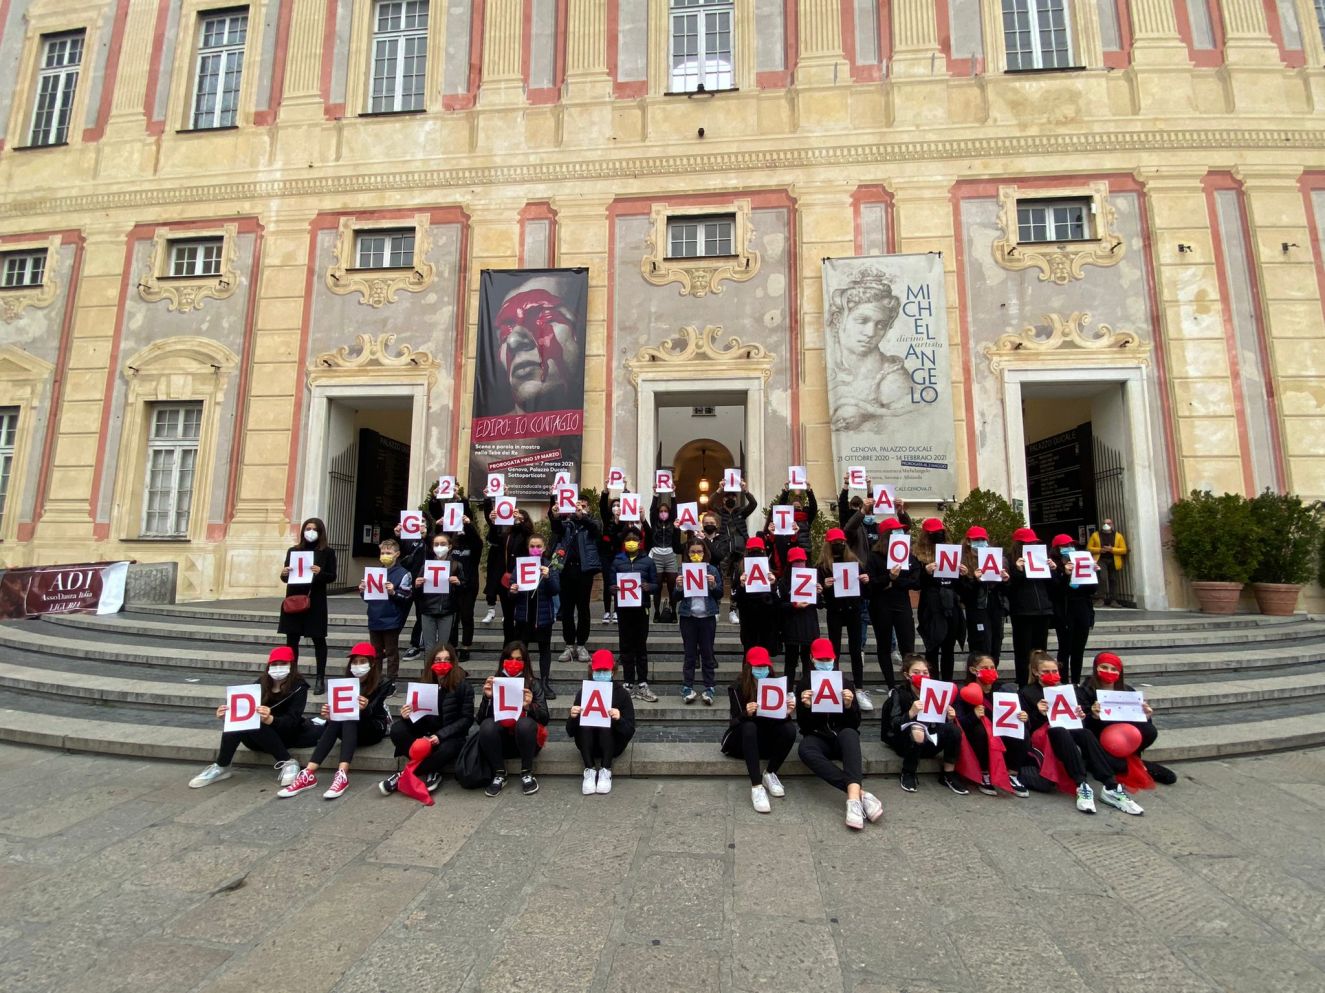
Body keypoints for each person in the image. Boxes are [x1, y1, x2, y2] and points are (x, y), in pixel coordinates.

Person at [1019, 651, 1144, 815]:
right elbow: (1025, 724)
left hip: (1065, 728)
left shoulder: (1064, 690)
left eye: (1054, 671)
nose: (1052, 675)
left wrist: (1081, 714)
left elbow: (1075, 716)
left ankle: (1111, 786)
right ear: (1036, 673)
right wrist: (1037, 712)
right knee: (1059, 731)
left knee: (1085, 734)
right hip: (1043, 734)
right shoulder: (1026, 692)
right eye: (1046, 672)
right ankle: (1081, 784)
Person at [190, 646, 315, 788]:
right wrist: (228, 714)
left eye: (283, 664)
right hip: (257, 737)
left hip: (286, 734)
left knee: (256, 722)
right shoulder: (261, 683)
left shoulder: (299, 687)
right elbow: (244, 708)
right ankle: (222, 766)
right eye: (274, 664)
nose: (278, 668)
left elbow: (292, 720)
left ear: (291, 666)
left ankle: (288, 762)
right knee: (241, 722)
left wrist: (270, 719)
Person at [279, 642, 392, 799]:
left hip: (373, 728)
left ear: (372, 663)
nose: (358, 666)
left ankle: (342, 776)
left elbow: (376, 713)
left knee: (348, 717)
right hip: (348, 728)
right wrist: (329, 714)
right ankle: (309, 773)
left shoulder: (382, 683)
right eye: (355, 662)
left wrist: (365, 708)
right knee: (340, 717)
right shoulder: (346, 683)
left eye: (362, 661)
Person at [795, 639, 883, 830]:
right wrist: (806, 707)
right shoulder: (804, 684)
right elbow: (803, 726)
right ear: (812, 659)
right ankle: (859, 794)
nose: (824, 663)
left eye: (828, 659)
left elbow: (855, 723)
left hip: (842, 736)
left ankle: (852, 801)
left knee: (850, 734)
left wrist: (849, 706)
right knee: (805, 749)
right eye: (820, 659)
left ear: (834, 659)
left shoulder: (845, 683)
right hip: (819, 737)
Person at [379, 643, 476, 795]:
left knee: (447, 749)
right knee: (398, 730)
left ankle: (403, 775)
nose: (442, 663)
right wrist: (407, 715)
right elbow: (418, 715)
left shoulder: (463, 686)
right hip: (426, 731)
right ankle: (433, 770)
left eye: (446, 659)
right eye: (438, 660)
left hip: (450, 736)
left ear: (453, 662)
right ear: (431, 662)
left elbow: (467, 719)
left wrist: (440, 735)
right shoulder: (425, 682)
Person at [825, 266, 913, 432]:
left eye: (881, 325)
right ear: (838, 319)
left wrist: (868, 418)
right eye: (862, 321)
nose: (871, 333)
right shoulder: (826, 362)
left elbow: (905, 433)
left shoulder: (892, 380)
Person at [1077, 651, 1176, 786]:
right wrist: (1093, 716)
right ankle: (1138, 767)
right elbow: (1081, 726)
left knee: (1150, 730)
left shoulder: (1127, 690)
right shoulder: (1084, 692)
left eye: (1113, 669)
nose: (1109, 671)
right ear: (1096, 668)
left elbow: (1138, 725)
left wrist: (1145, 716)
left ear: (1120, 673)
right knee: (1167, 776)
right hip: (1099, 745)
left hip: (1125, 743)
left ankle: (1131, 764)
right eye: (1104, 667)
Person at [720, 646, 798, 813]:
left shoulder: (775, 685)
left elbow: (777, 720)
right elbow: (733, 722)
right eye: (758, 667)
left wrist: (786, 713)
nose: (762, 670)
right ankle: (756, 786)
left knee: (789, 729)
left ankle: (770, 773)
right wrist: (745, 713)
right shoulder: (737, 687)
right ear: (749, 667)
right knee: (749, 726)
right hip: (741, 740)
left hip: (765, 738)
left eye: (765, 667)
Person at [881, 654, 968, 795]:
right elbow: (893, 724)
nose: (921, 675)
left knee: (953, 730)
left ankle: (948, 774)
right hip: (905, 742)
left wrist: (949, 716)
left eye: (925, 672)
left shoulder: (936, 692)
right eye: (916, 672)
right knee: (916, 728)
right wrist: (910, 713)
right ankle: (908, 772)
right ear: (907, 675)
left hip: (930, 740)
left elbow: (941, 723)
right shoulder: (900, 694)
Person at [476, 643, 550, 796]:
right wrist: (487, 698)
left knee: (525, 724)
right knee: (487, 726)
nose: (514, 663)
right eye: (510, 658)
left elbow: (544, 718)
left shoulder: (533, 684)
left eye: (518, 659)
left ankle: (527, 772)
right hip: (501, 742)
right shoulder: (495, 682)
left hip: (527, 740)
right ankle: (499, 773)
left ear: (525, 662)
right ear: (503, 660)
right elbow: (480, 720)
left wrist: (530, 706)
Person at [952, 652, 1028, 797]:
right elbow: (959, 723)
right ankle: (984, 772)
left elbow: (1016, 712)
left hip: (1001, 732)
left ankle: (1012, 773)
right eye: (985, 668)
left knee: (1021, 729)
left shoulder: (1004, 690)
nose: (990, 671)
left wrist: (1023, 716)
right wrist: (973, 715)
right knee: (980, 731)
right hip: (977, 737)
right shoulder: (964, 691)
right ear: (973, 670)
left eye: (992, 667)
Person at [278, 517, 337, 694]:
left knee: (318, 639)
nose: (310, 532)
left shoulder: (327, 552)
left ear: (320, 532)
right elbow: (286, 577)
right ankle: (292, 677)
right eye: (307, 528)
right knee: (292, 640)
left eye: (314, 529)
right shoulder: (293, 550)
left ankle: (320, 678)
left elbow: (332, 576)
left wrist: (320, 573)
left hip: (315, 599)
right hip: (294, 597)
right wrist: (283, 573)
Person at [566, 649, 637, 795]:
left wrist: (619, 719)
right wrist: (573, 717)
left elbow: (630, 730)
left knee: (606, 722)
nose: (601, 673)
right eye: (598, 670)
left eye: (605, 670)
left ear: (613, 671)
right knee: (586, 723)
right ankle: (589, 769)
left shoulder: (622, 694)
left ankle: (606, 769)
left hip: (613, 745)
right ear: (592, 671)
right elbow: (570, 731)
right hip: (588, 745)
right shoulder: (584, 692)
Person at [863, 517, 920, 690]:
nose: (901, 534)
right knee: (884, 645)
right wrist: (888, 578)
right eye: (896, 531)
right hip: (881, 606)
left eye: (902, 531)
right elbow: (870, 584)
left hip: (902, 604)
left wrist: (894, 582)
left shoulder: (908, 556)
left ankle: (909, 684)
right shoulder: (874, 556)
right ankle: (891, 686)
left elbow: (916, 581)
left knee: (907, 645)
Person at [817, 527, 870, 709]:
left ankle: (859, 688)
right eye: (835, 543)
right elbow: (817, 593)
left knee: (856, 650)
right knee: (835, 649)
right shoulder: (823, 567)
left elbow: (865, 592)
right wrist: (824, 586)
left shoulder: (854, 562)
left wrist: (865, 582)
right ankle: (834, 685)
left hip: (853, 610)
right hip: (835, 610)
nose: (839, 546)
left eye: (841, 542)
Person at [550, 496, 602, 663]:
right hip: (566, 569)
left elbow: (597, 532)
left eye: (584, 506)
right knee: (566, 610)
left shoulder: (592, 522)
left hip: (584, 570)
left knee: (583, 609)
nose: (580, 509)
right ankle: (569, 644)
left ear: (588, 508)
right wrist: (556, 515)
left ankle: (581, 645)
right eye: (577, 506)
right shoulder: (567, 523)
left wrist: (583, 518)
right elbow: (556, 529)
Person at [611, 526, 660, 702]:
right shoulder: (617, 561)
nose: (631, 542)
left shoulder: (648, 562)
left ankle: (643, 682)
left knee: (640, 646)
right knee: (625, 646)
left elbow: (656, 584)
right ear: (624, 543)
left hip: (642, 608)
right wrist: (613, 588)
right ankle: (629, 682)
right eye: (628, 539)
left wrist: (649, 587)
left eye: (634, 539)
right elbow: (610, 585)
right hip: (624, 609)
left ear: (640, 542)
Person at [511, 532, 561, 701]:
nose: (535, 549)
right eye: (532, 546)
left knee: (544, 650)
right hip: (524, 615)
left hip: (543, 616)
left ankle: (545, 682)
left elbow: (555, 590)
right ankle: (522, 680)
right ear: (528, 547)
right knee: (521, 650)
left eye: (538, 546)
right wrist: (513, 589)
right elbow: (512, 591)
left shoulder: (549, 565)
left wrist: (547, 577)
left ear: (544, 548)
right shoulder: (520, 565)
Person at [914, 518, 964, 682]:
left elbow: (959, 585)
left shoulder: (951, 551)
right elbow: (914, 583)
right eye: (934, 533)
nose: (938, 535)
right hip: (931, 606)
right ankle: (932, 683)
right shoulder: (918, 555)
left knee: (949, 648)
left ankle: (947, 683)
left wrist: (962, 574)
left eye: (940, 532)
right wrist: (925, 572)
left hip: (950, 604)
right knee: (932, 647)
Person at [1007, 527, 1056, 687]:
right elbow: (1007, 588)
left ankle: (1040, 681)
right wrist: (1018, 571)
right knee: (1023, 650)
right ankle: (1023, 683)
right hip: (1023, 612)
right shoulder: (1010, 560)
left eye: (1033, 543)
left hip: (1042, 610)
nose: (1030, 546)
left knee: (1040, 650)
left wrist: (1053, 570)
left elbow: (1053, 587)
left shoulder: (1041, 558)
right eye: (1026, 543)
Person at [676, 538, 723, 705]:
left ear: (705, 553)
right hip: (688, 618)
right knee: (689, 655)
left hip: (707, 617)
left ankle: (709, 687)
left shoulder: (712, 570)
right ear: (688, 554)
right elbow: (675, 597)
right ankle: (687, 687)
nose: (696, 555)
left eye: (699, 552)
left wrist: (713, 585)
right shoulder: (682, 570)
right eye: (693, 552)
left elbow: (720, 594)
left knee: (707, 653)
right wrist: (679, 587)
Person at [957, 526, 1008, 663]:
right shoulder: (963, 561)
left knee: (996, 641)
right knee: (981, 642)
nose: (980, 543)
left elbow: (1005, 589)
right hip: (977, 608)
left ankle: (992, 675)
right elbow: (962, 592)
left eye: (983, 540)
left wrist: (1005, 580)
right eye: (976, 540)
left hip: (996, 606)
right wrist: (973, 580)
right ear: (968, 541)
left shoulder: (998, 558)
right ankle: (978, 675)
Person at [1052, 534, 1097, 684]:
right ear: (1057, 549)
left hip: (1082, 608)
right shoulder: (1054, 566)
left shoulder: (1082, 563)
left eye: (1071, 545)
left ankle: (1076, 681)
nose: (1069, 548)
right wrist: (1065, 574)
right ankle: (1063, 681)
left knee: (1079, 649)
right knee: (1065, 649)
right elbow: (1056, 591)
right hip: (1065, 612)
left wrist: (1095, 573)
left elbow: (1092, 590)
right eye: (1065, 546)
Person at [413, 531, 466, 657]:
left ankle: (444, 675)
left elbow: (464, 590)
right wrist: (417, 585)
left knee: (443, 649)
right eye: (436, 544)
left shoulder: (456, 565)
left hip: (447, 611)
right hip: (427, 610)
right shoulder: (426, 566)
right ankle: (428, 676)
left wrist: (458, 583)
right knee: (429, 649)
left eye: (442, 544)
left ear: (450, 546)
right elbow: (416, 593)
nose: (439, 547)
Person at [714, 479, 758, 622]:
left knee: (737, 580)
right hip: (724, 549)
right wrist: (719, 490)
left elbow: (753, 504)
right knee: (719, 578)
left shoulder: (741, 512)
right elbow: (708, 504)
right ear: (724, 498)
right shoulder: (720, 513)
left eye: (733, 496)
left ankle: (733, 610)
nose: (730, 498)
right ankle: (716, 609)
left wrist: (745, 490)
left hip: (740, 550)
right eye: (728, 496)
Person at [732, 536, 782, 661]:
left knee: (765, 655)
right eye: (752, 550)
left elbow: (777, 601)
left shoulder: (768, 570)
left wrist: (773, 584)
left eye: (758, 550)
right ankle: (747, 679)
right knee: (749, 654)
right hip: (748, 618)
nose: (755, 553)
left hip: (766, 618)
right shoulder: (739, 570)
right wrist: (742, 586)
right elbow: (736, 598)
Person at [778, 545, 822, 685]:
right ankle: (789, 690)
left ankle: (807, 688)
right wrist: (793, 605)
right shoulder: (783, 582)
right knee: (790, 661)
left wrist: (819, 593)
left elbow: (819, 605)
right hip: (791, 626)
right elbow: (778, 606)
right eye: (796, 562)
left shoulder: (812, 578)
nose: (799, 564)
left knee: (808, 662)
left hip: (809, 626)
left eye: (801, 561)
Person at [648, 493, 682, 620]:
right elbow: (651, 510)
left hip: (670, 555)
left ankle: (673, 611)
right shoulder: (655, 522)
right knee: (657, 585)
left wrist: (673, 495)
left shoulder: (672, 524)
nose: (663, 513)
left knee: (672, 584)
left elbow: (674, 511)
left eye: (665, 511)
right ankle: (656, 612)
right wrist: (655, 494)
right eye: (661, 511)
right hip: (656, 555)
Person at [1087, 518, 1128, 606]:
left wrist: (1112, 549)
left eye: (1109, 523)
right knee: (1102, 577)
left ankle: (1114, 600)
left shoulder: (1118, 536)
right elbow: (1089, 548)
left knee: (1113, 579)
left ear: (1112, 524)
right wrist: (1100, 550)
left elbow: (1124, 550)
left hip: (1114, 560)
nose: (1107, 525)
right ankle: (1101, 598)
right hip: (1101, 559)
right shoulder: (1095, 535)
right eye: (1105, 523)